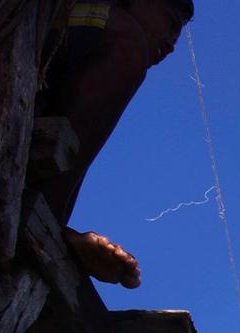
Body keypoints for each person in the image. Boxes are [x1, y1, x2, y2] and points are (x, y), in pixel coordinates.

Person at [37, 0, 196, 288]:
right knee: (127, 42)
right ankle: (43, 222)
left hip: (21, 112)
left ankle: (48, 222)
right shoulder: (102, 24)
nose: (172, 45)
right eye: (171, 24)